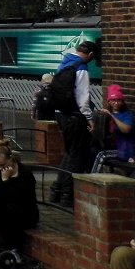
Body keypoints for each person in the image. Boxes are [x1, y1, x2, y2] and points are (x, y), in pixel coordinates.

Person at [49, 40, 98, 206]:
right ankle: (68, 195)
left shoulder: (64, 63)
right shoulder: (81, 68)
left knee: (69, 153)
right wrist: (89, 118)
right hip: (76, 117)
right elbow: (83, 98)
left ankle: (56, 190)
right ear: (90, 55)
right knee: (77, 156)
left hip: (62, 115)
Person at [0, 139, 39, 264]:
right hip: (5, 211)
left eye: (2, 165)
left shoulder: (25, 173)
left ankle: (12, 249)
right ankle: (6, 248)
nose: (0, 168)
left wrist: (6, 181)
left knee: (8, 213)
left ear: (11, 159)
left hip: (26, 212)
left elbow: (22, 197)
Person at [90, 84, 135, 173]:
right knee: (90, 150)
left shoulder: (128, 115)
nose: (116, 103)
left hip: (124, 149)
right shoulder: (104, 115)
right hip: (108, 146)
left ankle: (93, 178)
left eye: (119, 100)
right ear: (109, 101)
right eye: (113, 100)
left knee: (100, 155)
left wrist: (112, 116)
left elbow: (126, 129)